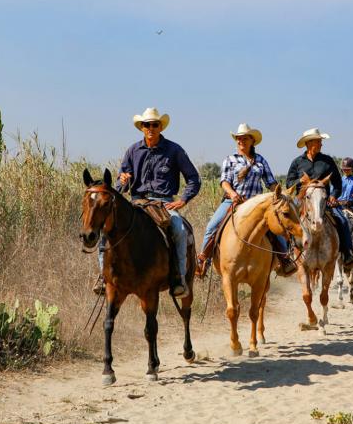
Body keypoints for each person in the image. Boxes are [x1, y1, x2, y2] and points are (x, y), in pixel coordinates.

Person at [94, 107, 201, 298]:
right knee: (106, 231)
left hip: (163, 203)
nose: (150, 128)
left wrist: (183, 200)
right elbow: (120, 183)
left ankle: (179, 279)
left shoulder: (174, 150)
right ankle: (104, 277)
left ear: (161, 127)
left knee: (179, 229)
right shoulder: (132, 151)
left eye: (154, 124)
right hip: (137, 203)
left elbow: (193, 178)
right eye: (146, 125)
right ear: (141, 128)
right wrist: (122, 181)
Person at [195, 123, 297, 277]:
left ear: (252, 141)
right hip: (234, 201)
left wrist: (281, 193)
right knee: (212, 226)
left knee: (275, 227)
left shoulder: (260, 160)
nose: (241, 140)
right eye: (238, 138)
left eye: (244, 138)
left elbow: (270, 182)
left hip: (257, 204)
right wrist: (232, 194)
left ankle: (284, 259)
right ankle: (203, 261)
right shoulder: (230, 159)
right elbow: (224, 182)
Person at [285, 128, 353, 264]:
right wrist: (300, 181)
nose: (321, 144)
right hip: (302, 201)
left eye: (321, 141)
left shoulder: (328, 161)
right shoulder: (297, 162)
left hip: (324, 202)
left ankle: (347, 254)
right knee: (286, 222)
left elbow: (338, 184)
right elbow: (288, 184)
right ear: (309, 143)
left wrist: (333, 196)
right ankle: (286, 257)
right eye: (318, 141)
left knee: (342, 221)